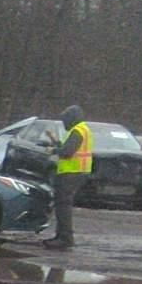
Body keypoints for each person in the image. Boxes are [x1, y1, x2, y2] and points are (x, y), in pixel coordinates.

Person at [47, 105, 94, 249]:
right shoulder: (82, 129)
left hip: (71, 173)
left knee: (63, 206)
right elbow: (69, 148)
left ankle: (65, 238)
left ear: (71, 118)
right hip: (77, 172)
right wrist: (55, 141)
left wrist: (53, 149)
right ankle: (61, 236)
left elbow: (67, 152)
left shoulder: (78, 131)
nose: (64, 123)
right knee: (63, 205)